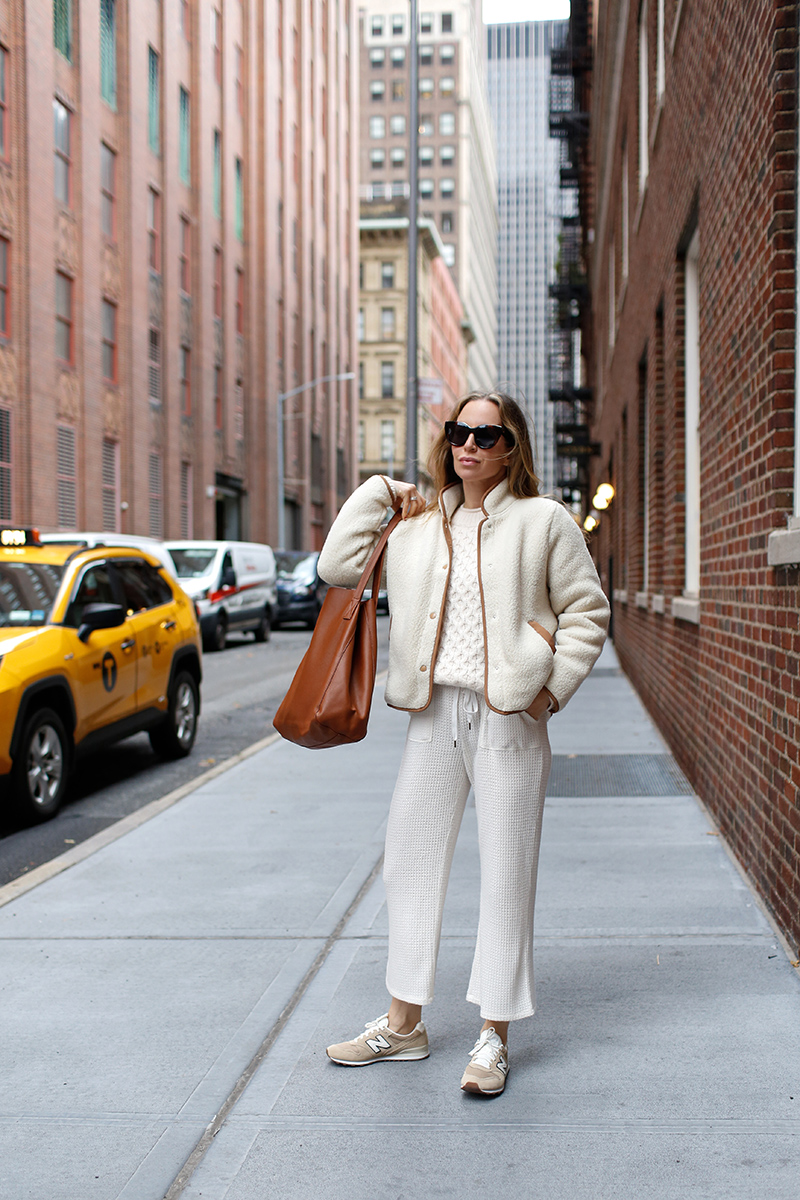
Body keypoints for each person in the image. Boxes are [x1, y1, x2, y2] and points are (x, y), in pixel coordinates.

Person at [318, 391, 610, 1096]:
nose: (469, 444)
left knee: (506, 874)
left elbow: (587, 610)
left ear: (512, 447)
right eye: (458, 432)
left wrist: (550, 690)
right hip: (432, 717)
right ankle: (404, 1023)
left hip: (510, 716)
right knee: (408, 865)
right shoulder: (415, 525)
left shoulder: (544, 521)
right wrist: (379, 492)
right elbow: (335, 566)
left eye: (487, 433)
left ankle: (494, 1035)